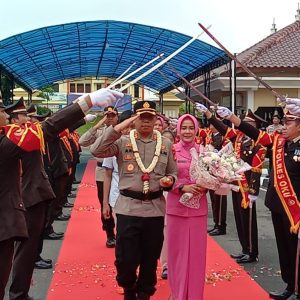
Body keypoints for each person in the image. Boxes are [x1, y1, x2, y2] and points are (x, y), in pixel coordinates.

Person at [6, 89, 123, 300]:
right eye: (22, 115)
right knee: (22, 251)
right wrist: (86, 102)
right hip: (23, 199)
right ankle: (18, 294)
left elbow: (53, 128)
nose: (6, 115)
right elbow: (50, 127)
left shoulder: (13, 135)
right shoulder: (10, 137)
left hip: (30, 197)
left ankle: (19, 291)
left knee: (25, 251)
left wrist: (82, 104)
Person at [90, 100, 177, 300]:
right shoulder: (122, 141)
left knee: (150, 257)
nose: (146, 122)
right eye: (141, 118)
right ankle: (129, 288)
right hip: (128, 209)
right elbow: (96, 150)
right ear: (134, 119)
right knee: (125, 260)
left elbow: (173, 171)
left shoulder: (165, 143)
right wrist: (118, 127)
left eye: (150, 118)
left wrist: (170, 180)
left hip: (154, 209)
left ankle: (145, 293)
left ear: (156, 119)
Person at [215, 100, 300, 300]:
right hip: (277, 205)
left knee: (296, 251)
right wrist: (230, 117)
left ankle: (297, 289)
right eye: (285, 121)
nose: (283, 126)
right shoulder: (279, 142)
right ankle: (289, 284)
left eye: (289, 122)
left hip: (295, 208)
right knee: (284, 249)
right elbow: (256, 134)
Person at [197, 104, 266, 264]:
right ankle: (244, 249)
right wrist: (209, 114)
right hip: (236, 184)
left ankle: (251, 251)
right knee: (239, 218)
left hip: (247, 188)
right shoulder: (238, 139)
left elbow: (256, 168)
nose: (245, 126)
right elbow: (223, 129)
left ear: (254, 127)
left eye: (249, 124)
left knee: (248, 221)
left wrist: (253, 191)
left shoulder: (258, 144)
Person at [166, 114, 207, 300]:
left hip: (198, 210)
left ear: (196, 129)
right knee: (176, 255)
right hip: (176, 209)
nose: (187, 131)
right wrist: (181, 187)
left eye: (191, 128)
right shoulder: (171, 150)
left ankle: (195, 295)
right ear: (178, 130)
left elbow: (214, 177)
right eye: (184, 128)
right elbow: (163, 178)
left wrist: (208, 185)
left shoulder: (205, 152)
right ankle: (177, 293)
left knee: (197, 257)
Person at [79, 106, 118, 248]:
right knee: (105, 203)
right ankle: (109, 233)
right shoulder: (100, 131)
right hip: (103, 171)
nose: (110, 117)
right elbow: (82, 141)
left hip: (121, 171)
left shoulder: (122, 130)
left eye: (113, 115)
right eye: (107, 115)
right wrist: (99, 124)